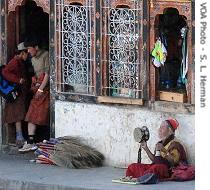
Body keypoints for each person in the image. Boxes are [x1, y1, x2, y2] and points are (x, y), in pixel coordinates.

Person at [18, 38, 50, 152]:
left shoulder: (46, 55)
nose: (28, 51)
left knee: (43, 115)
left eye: (29, 48)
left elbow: (47, 74)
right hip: (37, 88)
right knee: (32, 113)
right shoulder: (32, 58)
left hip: (45, 89)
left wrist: (41, 90)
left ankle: (44, 141)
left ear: (36, 47)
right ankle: (31, 141)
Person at [2, 42, 29, 147]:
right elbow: (5, 72)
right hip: (16, 93)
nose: (28, 56)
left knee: (19, 113)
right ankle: (19, 137)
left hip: (20, 92)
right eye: (27, 54)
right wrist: (18, 80)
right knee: (17, 114)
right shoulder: (14, 62)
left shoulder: (20, 61)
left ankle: (20, 137)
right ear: (22, 53)